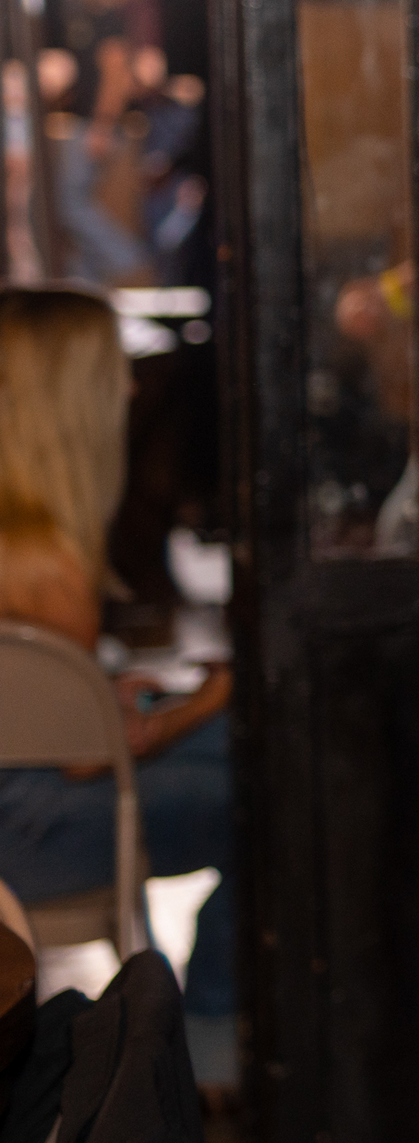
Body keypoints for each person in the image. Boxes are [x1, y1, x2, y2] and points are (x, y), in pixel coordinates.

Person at [0, 288, 237, 1092]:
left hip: (16, 807)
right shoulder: (52, 567)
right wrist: (206, 699)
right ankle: (213, 1031)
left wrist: (106, 693)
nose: (133, 388)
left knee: (244, 740)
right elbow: (85, 760)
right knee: (276, 788)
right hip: (30, 839)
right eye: (116, 372)